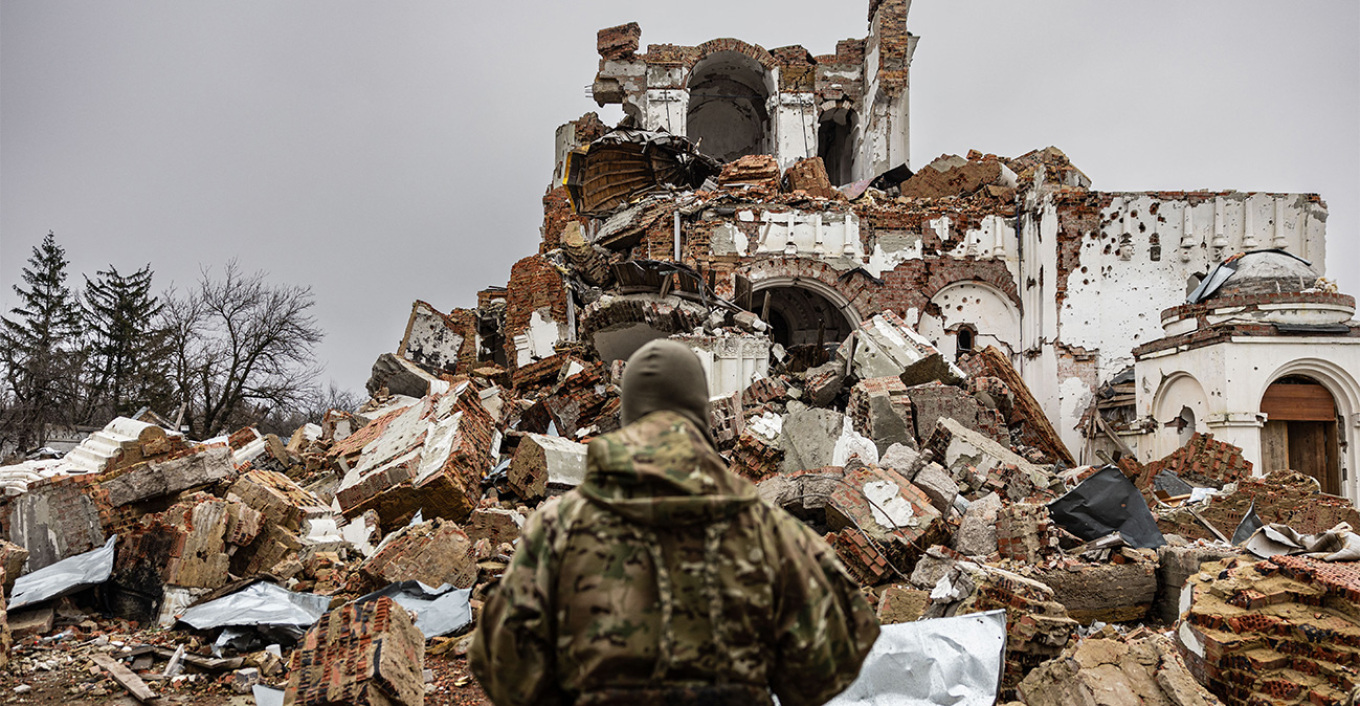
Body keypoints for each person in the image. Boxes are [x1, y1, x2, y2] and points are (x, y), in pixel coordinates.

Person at [471, 339, 879, 706]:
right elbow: (829, 665)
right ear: (701, 415)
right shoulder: (767, 531)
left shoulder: (557, 530)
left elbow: (504, 670)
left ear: (628, 418)